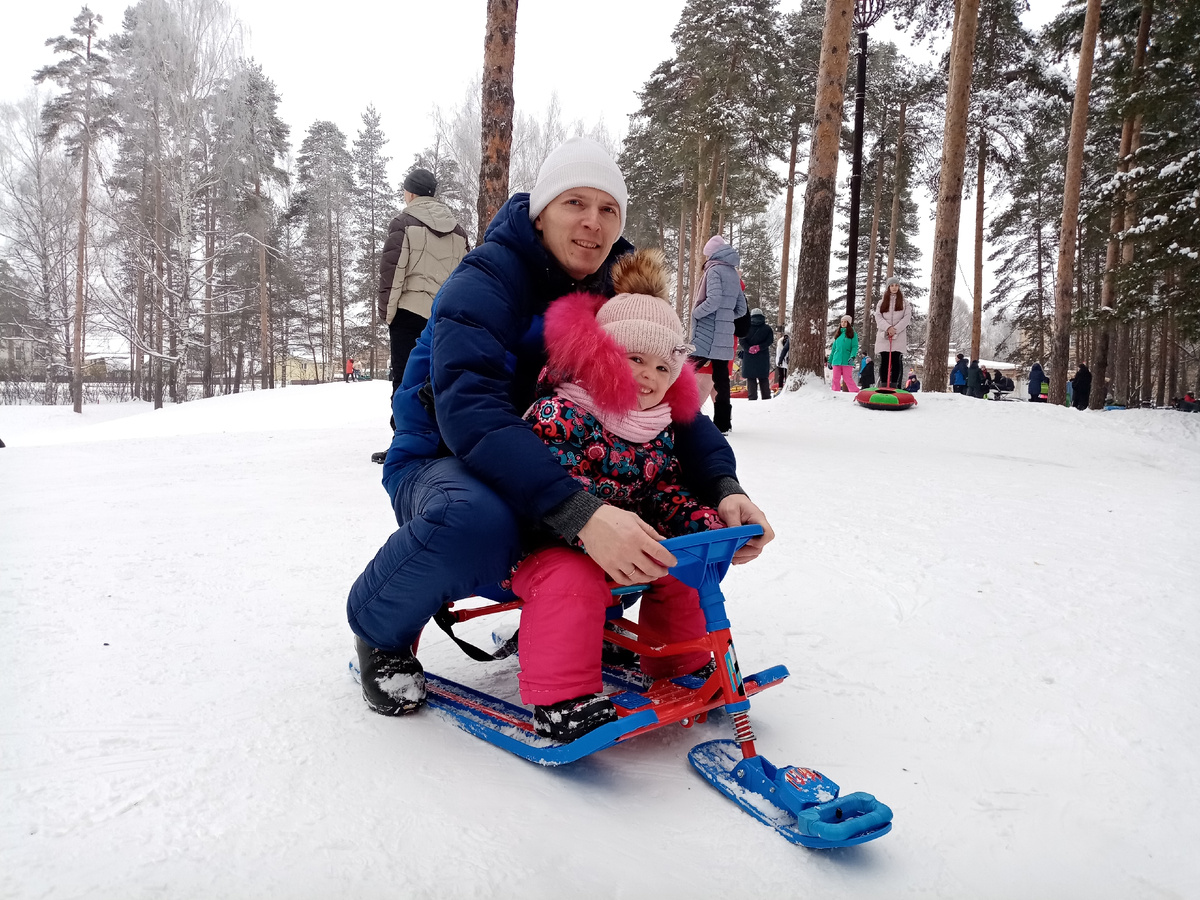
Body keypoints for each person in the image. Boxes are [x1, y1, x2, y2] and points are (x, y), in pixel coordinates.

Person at [346, 137, 774, 719]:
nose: (592, 224)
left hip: (560, 454)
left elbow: (671, 408)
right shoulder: (485, 281)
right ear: (542, 209)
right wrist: (582, 514)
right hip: (446, 456)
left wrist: (726, 489)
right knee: (480, 522)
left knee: (665, 497)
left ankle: (589, 622)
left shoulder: (619, 289)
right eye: (576, 203)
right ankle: (380, 626)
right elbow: (471, 413)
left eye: (609, 210)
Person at [513, 249, 724, 740]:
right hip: (547, 541)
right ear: (601, 355)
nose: (648, 376)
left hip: (620, 543)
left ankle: (684, 664)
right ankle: (562, 697)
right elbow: (552, 488)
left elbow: (664, 487)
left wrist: (698, 521)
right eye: (634, 359)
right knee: (575, 579)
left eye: (661, 368)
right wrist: (597, 527)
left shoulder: (655, 425)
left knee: (680, 566)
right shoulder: (560, 414)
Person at [371, 167, 470, 463]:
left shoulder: (403, 224)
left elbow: (393, 272)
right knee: (439, 379)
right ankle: (443, 440)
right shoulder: (458, 232)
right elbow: (466, 276)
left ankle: (404, 444)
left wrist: (387, 314)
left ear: (410, 192)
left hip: (409, 315)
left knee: (403, 382)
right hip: (443, 318)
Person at [689, 234, 747, 433]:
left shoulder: (714, 271)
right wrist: (726, 318)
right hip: (725, 337)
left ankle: (679, 415)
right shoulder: (733, 274)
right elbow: (741, 309)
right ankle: (723, 424)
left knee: (686, 370)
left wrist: (697, 312)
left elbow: (712, 300)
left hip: (707, 332)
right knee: (722, 381)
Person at [874, 277, 911, 388]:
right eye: (892, 285)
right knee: (884, 360)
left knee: (896, 360)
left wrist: (895, 329)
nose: (894, 288)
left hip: (898, 335)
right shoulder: (881, 302)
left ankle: (895, 385)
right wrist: (888, 328)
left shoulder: (905, 303)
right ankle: (884, 385)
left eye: (896, 285)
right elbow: (878, 316)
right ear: (888, 287)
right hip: (884, 335)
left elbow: (907, 317)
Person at [739, 307, 774, 401]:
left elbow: (742, 340)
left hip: (749, 356)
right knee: (763, 377)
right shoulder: (767, 328)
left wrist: (748, 348)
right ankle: (766, 397)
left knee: (751, 378)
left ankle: (752, 397)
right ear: (762, 316)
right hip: (762, 356)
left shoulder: (746, 327)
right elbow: (770, 341)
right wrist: (760, 347)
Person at [827, 314, 859, 393]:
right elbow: (834, 349)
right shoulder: (838, 335)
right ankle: (835, 393)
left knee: (847, 378)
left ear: (849, 323)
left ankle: (855, 392)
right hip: (836, 360)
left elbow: (854, 347)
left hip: (847, 360)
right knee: (835, 379)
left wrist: (852, 357)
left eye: (845, 322)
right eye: (842, 322)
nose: (843, 323)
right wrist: (829, 361)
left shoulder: (853, 334)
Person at [774, 330, 790, 395]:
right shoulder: (780, 345)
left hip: (786, 361)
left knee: (787, 374)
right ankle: (780, 387)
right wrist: (780, 361)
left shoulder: (789, 342)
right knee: (781, 375)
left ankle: (786, 385)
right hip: (780, 361)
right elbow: (779, 354)